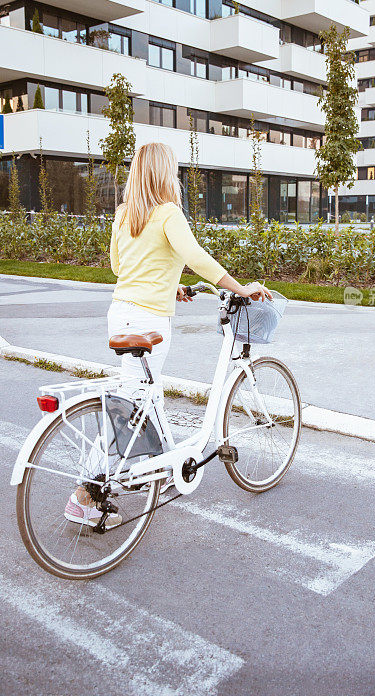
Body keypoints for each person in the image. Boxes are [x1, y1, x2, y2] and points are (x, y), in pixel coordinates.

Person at [65, 142, 271, 529]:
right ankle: (85, 494)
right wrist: (240, 287)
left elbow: (120, 266)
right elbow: (196, 257)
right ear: (164, 173)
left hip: (120, 312)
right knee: (128, 407)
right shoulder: (168, 214)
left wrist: (167, 284)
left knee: (144, 394)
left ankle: (155, 466)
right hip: (149, 319)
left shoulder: (124, 214)